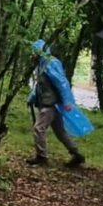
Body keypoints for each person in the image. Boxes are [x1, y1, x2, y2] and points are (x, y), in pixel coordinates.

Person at [26, 40, 86, 168]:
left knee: (39, 128)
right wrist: (32, 97)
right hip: (50, 103)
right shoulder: (42, 64)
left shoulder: (50, 63)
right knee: (60, 131)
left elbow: (61, 82)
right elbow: (41, 85)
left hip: (50, 104)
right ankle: (76, 154)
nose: (32, 54)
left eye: (34, 51)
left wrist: (67, 101)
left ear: (40, 51)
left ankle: (41, 157)